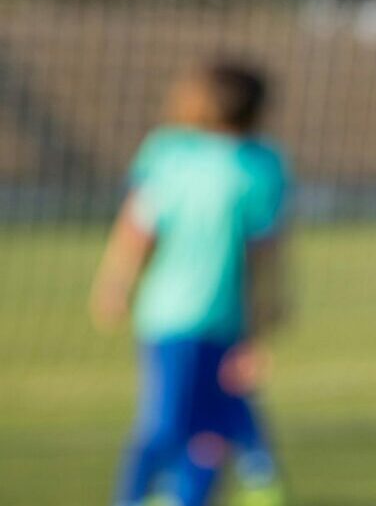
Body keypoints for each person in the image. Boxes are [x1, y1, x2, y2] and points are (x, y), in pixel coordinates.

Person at [92, 57, 291, 506]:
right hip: (175, 316)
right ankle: (137, 497)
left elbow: (260, 250)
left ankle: (186, 498)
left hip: (215, 318)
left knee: (207, 426)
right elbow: (140, 229)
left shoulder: (253, 164)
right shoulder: (176, 155)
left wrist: (115, 283)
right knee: (170, 423)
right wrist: (116, 283)